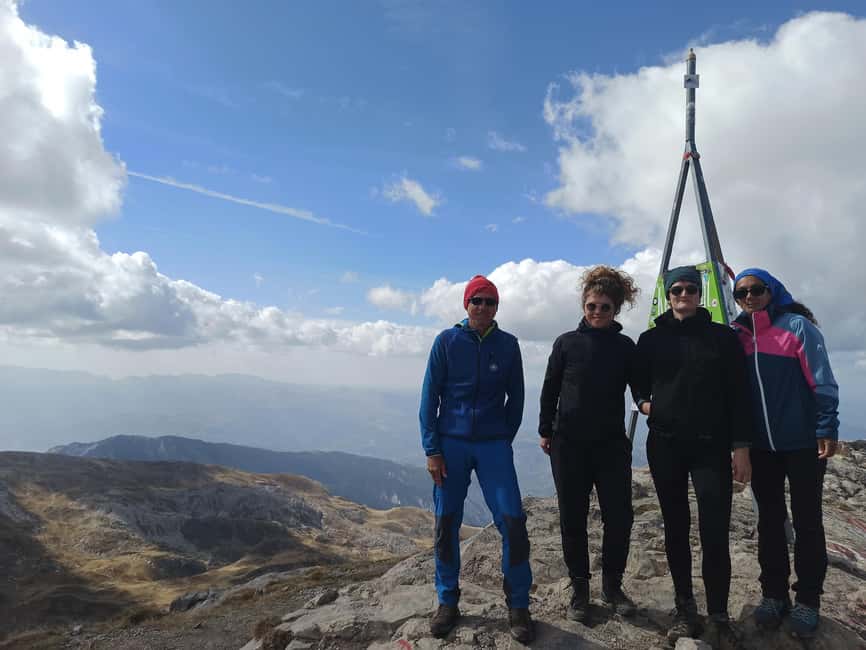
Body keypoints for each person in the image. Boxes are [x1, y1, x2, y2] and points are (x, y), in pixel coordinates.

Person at [632, 265, 753, 649]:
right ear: (668, 296)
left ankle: (718, 615)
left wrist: (741, 448)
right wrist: (645, 403)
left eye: (690, 289)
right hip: (665, 444)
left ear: (701, 295)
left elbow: (738, 394)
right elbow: (637, 380)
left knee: (715, 529)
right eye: (676, 290)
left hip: (710, 446)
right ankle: (686, 609)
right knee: (675, 527)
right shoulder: (650, 339)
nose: (683, 295)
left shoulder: (722, 338)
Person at [419, 274, 534, 644]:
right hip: (450, 445)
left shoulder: (509, 345)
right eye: (477, 301)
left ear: (497, 307)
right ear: (466, 305)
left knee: (513, 523)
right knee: (446, 523)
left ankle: (518, 605)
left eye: (490, 302)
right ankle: (447, 600)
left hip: (492, 445)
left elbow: (516, 399)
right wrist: (432, 449)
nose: (483, 307)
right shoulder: (447, 342)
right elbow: (429, 399)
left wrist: (502, 437)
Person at [732, 268, 839, 639]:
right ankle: (773, 594)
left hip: (803, 442)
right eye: (741, 293)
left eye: (757, 290)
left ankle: (808, 598)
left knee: (808, 521)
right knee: (771, 521)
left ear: (772, 291)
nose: (749, 297)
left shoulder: (797, 327)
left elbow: (822, 378)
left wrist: (827, 426)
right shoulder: (737, 335)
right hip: (762, 446)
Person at [538, 265, 639, 624]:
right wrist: (545, 430)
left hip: (611, 444)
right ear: (584, 305)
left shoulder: (626, 347)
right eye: (592, 306)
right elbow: (550, 389)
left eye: (605, 307)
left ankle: (612, 586)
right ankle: (580, 589)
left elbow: (638, 388)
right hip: (569, 444)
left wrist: (649, 405)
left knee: (620, 517)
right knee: (572, 518)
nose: (597, 312)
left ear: (616, 310)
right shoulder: (566, 343)